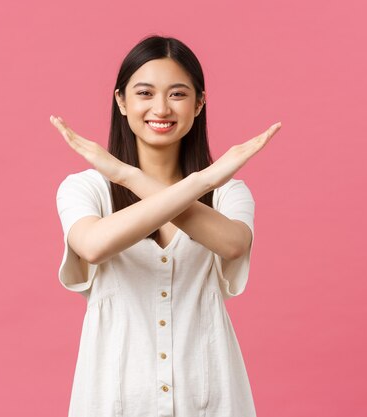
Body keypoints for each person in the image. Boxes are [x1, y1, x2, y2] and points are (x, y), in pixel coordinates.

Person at [50, 34, 281, 417]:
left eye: (177, 94)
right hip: (113, 397)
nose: (161, 108)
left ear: (199, 103)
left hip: (210, 397)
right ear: (121, 101)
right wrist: (200, 180)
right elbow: (92, 245)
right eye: (145, 93)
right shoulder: (85, 188)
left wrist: (135, 176)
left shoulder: (227, 193)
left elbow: (233, 244)